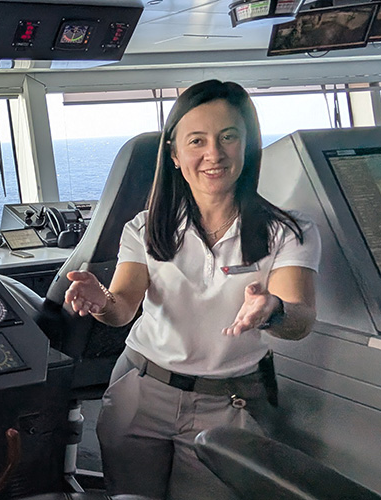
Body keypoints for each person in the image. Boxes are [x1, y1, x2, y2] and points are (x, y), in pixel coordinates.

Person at [63, 80, 320, 499]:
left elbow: (300, 319)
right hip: (143, 391)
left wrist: (273, 310)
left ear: (248, 145)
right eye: (197, 140)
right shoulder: (145, 228)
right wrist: (100, 301)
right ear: (175, 155)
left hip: (229, 402)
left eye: (228, 138)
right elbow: (123, 306)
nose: (213, 154)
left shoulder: (287, 231)